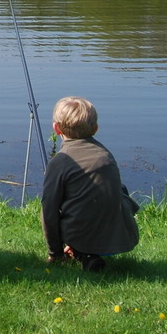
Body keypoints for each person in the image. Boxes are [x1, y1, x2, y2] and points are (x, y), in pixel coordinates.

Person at [40, 96, 140, 273]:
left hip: (82, 235)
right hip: (121, 236)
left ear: (56, 129)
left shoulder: (59, 162)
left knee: (55, 206)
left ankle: (84, 254)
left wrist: (55, 253)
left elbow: (49, 211)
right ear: (95, 128)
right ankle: (88, 252)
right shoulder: (105, 155)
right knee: (120, 190)